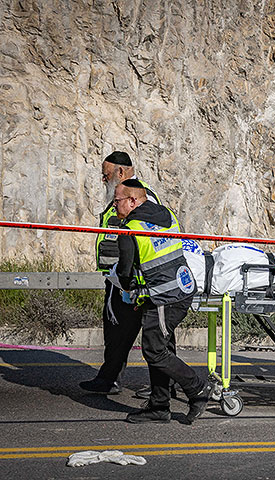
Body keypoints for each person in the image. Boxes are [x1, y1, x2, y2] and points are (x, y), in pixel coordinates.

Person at [113, 179, 210, 424]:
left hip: (166, 298)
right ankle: (159, 405)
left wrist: (129, 291)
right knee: (161, 349)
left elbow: (125, 273)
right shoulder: (167, 214)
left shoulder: (130, 229)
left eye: (117, 201)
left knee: (154, 351)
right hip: (181, 289)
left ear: (133, 200)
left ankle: (197, 389)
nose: (114, 207)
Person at [80, 151, 161, 395]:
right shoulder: (118, 196)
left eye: (106, 175)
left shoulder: (142, 197)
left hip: (133, 279)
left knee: (154, 335)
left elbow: (147, 237)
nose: (103, 180)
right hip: (117, 277)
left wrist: (131, 276)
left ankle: (162, 387)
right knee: (115, 331)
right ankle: (110, 379)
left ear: (121, 172)